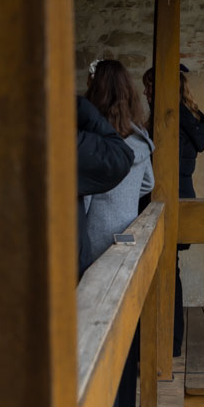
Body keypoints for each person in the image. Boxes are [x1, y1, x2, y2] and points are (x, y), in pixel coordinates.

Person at [83, 59, 155, 407]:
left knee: (95, 324)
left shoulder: (93, 143)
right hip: (127, 235)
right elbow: (148, 185)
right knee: (126, 319)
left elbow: (84, 197)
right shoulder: (140, 140)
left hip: (94, 239)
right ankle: (126, 400)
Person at [142, 65, 204, 356]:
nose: (145, 92)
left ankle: (167, 341)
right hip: (176, 198)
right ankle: (167, 341)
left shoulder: (171, 118)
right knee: (167, 269)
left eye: (150, 86)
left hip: (167, 199)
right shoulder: (191, 116)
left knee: (166, 270)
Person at [76, 96, 134, 280]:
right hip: (125, 224)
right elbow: (149, 182)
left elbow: (87, 200)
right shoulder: (141, 140)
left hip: (96, 231)